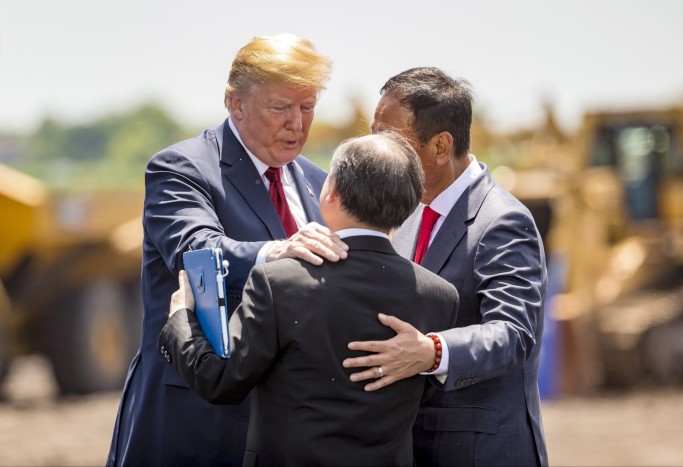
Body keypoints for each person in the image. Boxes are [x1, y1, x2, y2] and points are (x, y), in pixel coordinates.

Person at [106, 34, 349, 467]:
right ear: (235, 103)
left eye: (307, 107)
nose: (297, 123)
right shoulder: (182, 168)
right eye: (280, 107)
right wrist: (276, 252)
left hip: (289, 430)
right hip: (197, 421)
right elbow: (195, 249)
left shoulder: (319, 179)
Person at [159, 132, 460, 466]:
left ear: (330, 193)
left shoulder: (279, 282)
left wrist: (180, 321)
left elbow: (220, 380)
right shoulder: (440, 295)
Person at [342, 67, 549, 466]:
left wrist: (433, 352)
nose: (375, 149)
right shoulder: (402, 216)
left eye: (390, 138)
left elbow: (513, 334)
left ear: (440, 147)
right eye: (373, 132)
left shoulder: (502, 221)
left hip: (480, 451)